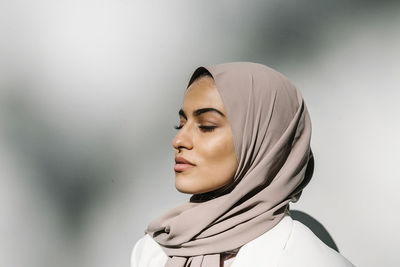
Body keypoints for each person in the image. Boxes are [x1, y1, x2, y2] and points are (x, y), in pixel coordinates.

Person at [130, 62, 355, 267]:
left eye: (206, 126)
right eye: (180, 125)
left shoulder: (307, 261)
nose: (178, 141)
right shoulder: (153, 250)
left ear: (266, 140)